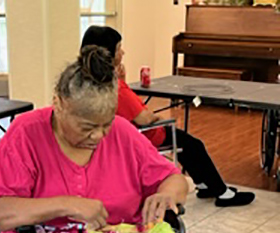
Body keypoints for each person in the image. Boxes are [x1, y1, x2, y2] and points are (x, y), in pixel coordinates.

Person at [0, 46, 188, 233]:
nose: (99, 136)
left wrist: (165, 194)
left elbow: (174, 179)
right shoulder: (26, 135)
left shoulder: (122, 132)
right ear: (59, 104)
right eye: (87, 127)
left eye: (106, 124)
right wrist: (69, 204)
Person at [81, 26, 255, 208]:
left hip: (122, 137)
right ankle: (222, 193)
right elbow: (144, 119)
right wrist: (157, 117)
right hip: (144, 136)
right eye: (119, 48)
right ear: (108, 53)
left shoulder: (86, 81)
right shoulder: (115, 88)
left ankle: (205, 185)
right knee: (194, 145)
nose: (123, 52)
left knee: (188, 145)